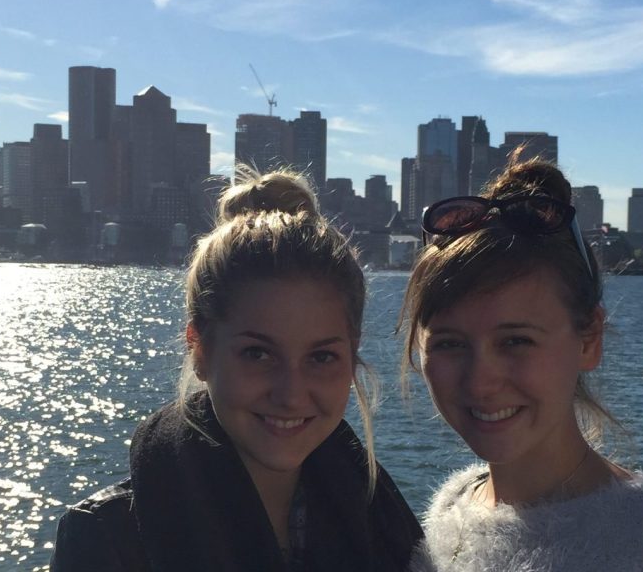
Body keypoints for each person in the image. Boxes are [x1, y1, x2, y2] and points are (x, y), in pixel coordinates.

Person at [50, 168, 423, 572]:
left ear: (352, 356)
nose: (292, 394)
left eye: (321, 357)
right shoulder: (108, 541)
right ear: (200, 350)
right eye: (257, 354)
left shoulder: (382, 523)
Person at [400, 153, 643, 571]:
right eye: (450, 345)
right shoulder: (451, 507)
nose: (480, 382)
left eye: (516, 340)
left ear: (589, 339)